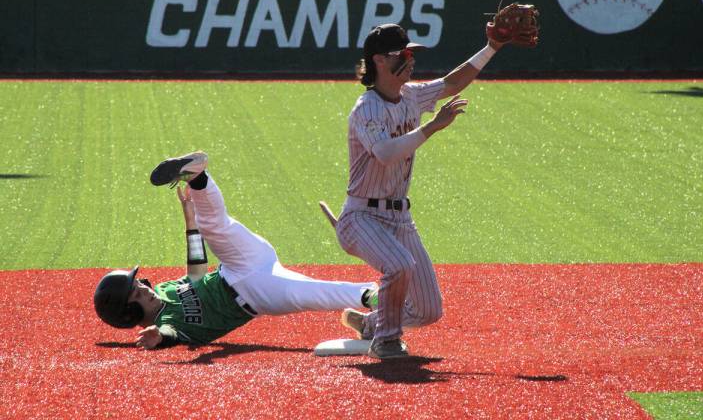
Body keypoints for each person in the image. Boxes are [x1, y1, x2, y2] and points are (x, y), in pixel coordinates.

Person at [334, 23, 512, 359]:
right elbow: (385, 153)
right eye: (402, 53)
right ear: (379, 61)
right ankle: (386, 341)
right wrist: (432, 127)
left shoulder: (411, 95)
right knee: (400, 264)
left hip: (400, 218)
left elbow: (452, 82)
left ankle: (371, 323)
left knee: (428, 310)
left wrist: (492, 47)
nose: (410, 59)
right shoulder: (366, 108)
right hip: (360, 217)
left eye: (411, 52)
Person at [93, 152, 377, 349]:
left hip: (237, 264)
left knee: (215, 227)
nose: (144, 289)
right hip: (256, 293)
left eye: (139, 285)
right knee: (314, 293)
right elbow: (172, 334)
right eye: (136, 294)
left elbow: (197, 274)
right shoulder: (166, 321)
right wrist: (160, 337)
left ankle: (197, 177)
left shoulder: (164, 290)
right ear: (129, 313)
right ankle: (377, 296)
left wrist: (190, 220)